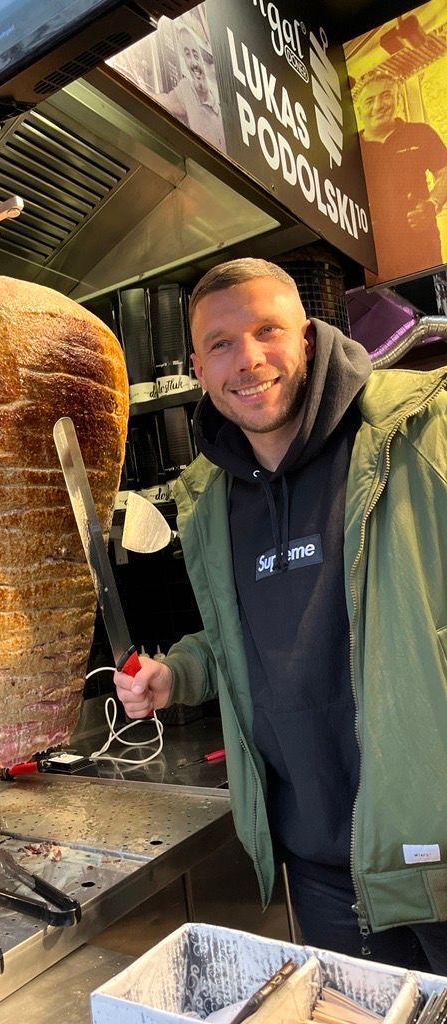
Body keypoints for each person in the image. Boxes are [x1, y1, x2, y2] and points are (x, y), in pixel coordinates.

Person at [114, 257, 447, 971]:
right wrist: (176, 675)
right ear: (199, 367)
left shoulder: (418, 431)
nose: (249, 358)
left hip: (436, 846)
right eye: (222, 343)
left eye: (268, 330)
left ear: (308, 335)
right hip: (318, 861)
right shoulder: (210, 496)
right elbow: (236, 634)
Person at [357, 74, 447, 282]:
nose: (379, 105)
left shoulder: (420, 133)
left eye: (386, 96)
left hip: (421, 244)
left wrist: (432, 204)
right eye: (370, 100)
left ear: (398, 101)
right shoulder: (350, 148)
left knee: (432, 306)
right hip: (371, 253)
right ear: (360, 109)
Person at [155, 24, 225, 152]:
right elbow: (162, 102)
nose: (193, 63)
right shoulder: (186, 89)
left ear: (203, 61)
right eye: (187, 55)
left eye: (196, 55)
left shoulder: (221, 110)